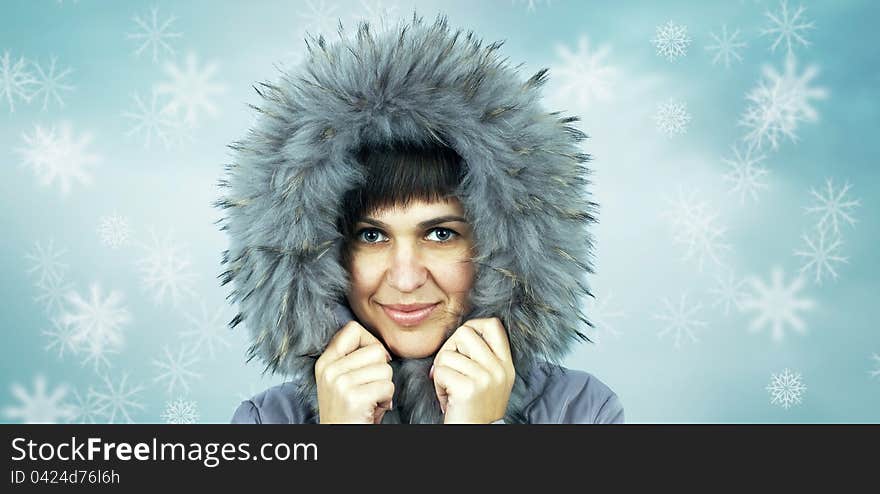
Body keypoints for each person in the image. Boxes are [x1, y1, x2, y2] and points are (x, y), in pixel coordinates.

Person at [218, 11, 624, 424]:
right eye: (372, 236)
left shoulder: (582, 412)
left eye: (441, 234)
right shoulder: (267, 421)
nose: (406, 279)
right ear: (320, 254)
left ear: (509, 252)